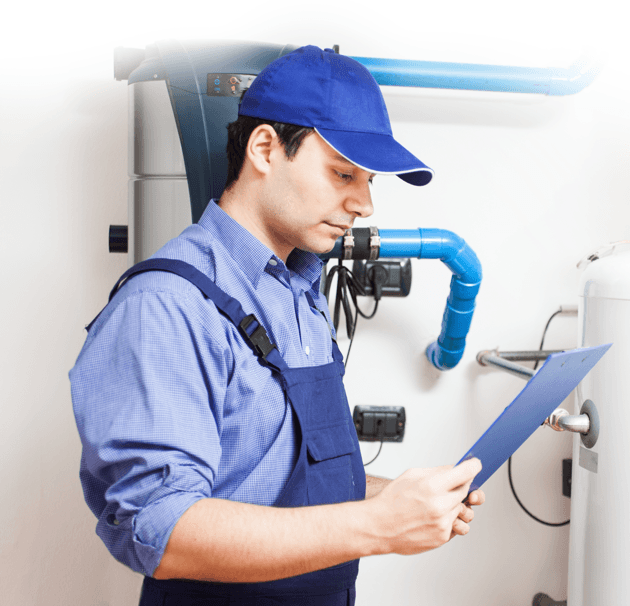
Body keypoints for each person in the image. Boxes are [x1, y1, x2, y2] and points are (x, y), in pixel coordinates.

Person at [71, 45, 485, 606]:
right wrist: (379, 526)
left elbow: (273, 478)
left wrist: (404, 501)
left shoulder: (299, 292)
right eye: (343, 173)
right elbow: (161, 530)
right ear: (265, 148)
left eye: (368, 181)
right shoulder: (168, 304)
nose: (363, 203)